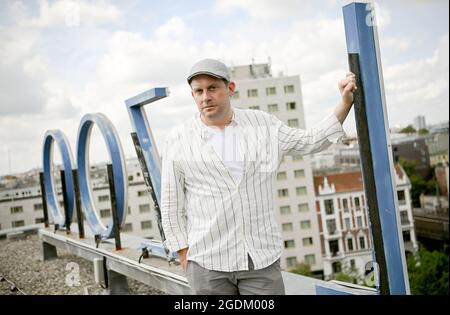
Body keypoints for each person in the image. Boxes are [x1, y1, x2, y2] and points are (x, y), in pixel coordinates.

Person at [161, 58, 357, 295]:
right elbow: (171, 203)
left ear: (230, 88)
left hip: (260, 259)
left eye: (212, 88)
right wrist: (183, 253)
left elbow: (311, 141)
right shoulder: (178, 139)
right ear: (192, 95)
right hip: (207, 263)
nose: (205, 97)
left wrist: (345, 102)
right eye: (198, 91)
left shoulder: (263, 125)